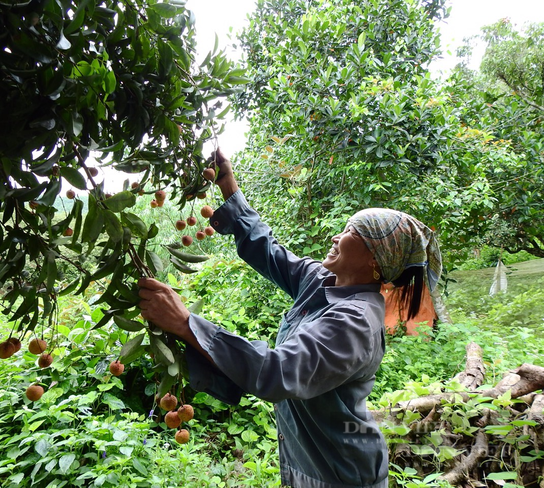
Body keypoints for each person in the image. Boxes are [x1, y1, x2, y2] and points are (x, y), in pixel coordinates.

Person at [137, 149, 442, 488]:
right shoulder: (323, 282)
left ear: (375, 261)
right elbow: (268, 250)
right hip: (309, 465)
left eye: (351, 232)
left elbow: (277, 373)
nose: (335, 236)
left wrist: (184, 322)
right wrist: (228, 186)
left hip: (341, 476)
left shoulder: (356, 323)